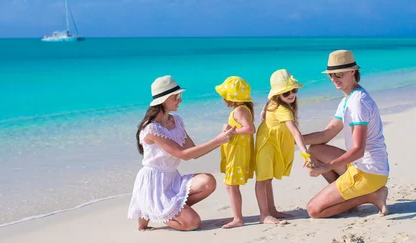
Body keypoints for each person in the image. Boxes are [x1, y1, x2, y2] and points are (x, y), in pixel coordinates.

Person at [127, 75, 235, 231]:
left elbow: (194, 152)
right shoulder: (151, 128)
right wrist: (218, 140)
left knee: (208, 182)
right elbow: (182, 154)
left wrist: (222, 138)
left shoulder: (176, 120)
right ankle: (152, 210)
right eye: (176, 97)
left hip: (172, 178)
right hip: (154, 184)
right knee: (192, 223)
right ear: (164, 100)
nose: (180, 100)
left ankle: (168, 210)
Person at [303, 50, 390, 219]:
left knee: (314, 210)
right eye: (330, 75)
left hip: (369, 172)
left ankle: (371, 195)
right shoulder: (347, 100)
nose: (334, 79)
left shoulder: (358, 102)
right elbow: (325, 135)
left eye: (338, 74)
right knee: (315, 150)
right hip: (360, 166)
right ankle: (345, 196)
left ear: (352, 72)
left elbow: (358, 150)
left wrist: (326, 168)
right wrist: (292, 138)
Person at [254, 69, 311, 224]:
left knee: (268, 179)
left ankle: (271, 210)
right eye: (286, 93)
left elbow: (266, 106)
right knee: (262, 179)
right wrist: (305, 153)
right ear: (278, 95)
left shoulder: (274, 103)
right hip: (266, 145)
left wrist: (263, 110)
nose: (291, 95)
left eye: (293, 90)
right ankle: (263, 215)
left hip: (271, 143)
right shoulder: (282, 109)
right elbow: (295, 132)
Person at [214, 76, 256, 229]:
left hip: (237, 154)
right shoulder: (242, 109)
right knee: (231, 185)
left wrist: (231, 130)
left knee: (231, 185)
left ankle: (238, 218)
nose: (223, 99)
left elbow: (250, 129)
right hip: (237, 152)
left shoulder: (239, 110)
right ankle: (237, 216)